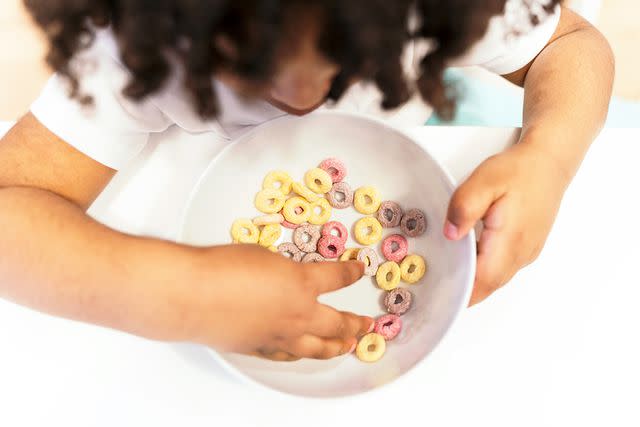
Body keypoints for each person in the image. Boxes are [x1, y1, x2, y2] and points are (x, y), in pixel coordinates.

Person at [0, 0, 613, 361]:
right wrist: (185, 296)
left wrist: (549, 154)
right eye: (242, 66)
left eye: (348, 62)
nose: (303, 98)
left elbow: (576, 44)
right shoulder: (129, 45)